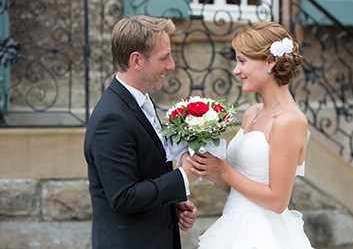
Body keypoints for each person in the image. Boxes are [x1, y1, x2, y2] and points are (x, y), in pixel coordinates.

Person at [188, 22, 314, 248]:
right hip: (234, 227)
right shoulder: (252, 113)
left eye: (242, 61)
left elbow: (277, 201)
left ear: (270, 62)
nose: (236, 70)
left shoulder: (289, 121)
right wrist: (212, 172)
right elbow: (241, 188)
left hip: (263, 234)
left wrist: (223, 170)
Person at [84, 15, 199, 249]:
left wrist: (172, 203)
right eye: (164, 57)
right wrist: (183, 176)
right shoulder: (112, 118)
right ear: (136, 60)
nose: (171, 65)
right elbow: (124, 197)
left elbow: (145, 173)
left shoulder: (139, 101)